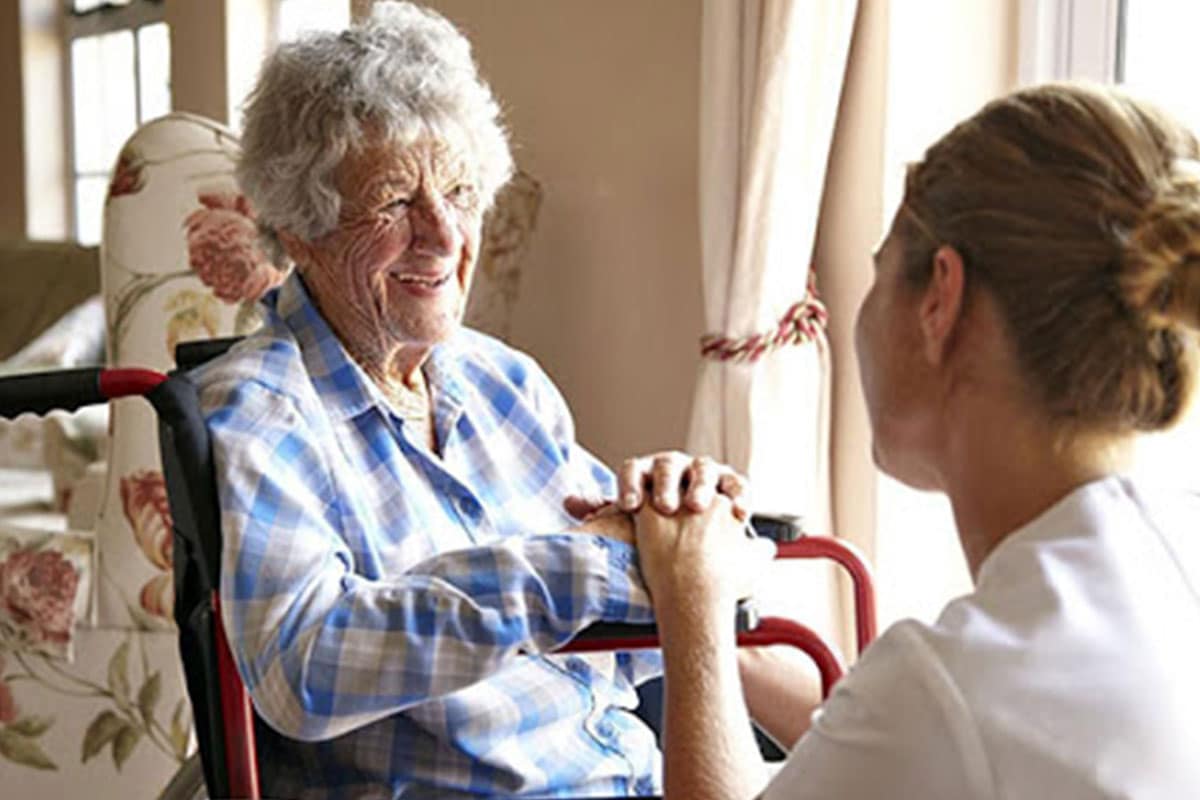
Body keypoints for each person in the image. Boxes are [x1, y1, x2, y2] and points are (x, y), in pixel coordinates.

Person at [197, 4, 750, 798]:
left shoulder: (505, 384)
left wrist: (683, 519)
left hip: (625, 774)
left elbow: (640, 603)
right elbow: (302, 666)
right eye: (394, 201)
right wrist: (586, 568)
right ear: (301, 226)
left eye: (460, 192)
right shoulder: (260, 413)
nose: (445, 234)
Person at [635, 82, 1200, 799]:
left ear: (940, 297)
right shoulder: (1173, 551)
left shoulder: (952, 686)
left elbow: (942, 727)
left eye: (877, 271)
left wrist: (688, 600)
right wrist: (726, 653)